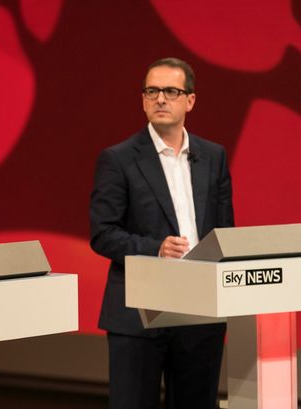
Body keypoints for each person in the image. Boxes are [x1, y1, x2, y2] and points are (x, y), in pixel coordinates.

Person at [90, 57, 234, 409]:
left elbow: (225, 232)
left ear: (190, 100)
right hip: (139, 314)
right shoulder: (119, 159)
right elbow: (102, 233)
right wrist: (154, 248)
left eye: (171, 91)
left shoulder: (213, 157)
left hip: (199, 312)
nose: (160, 99)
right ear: (142, 99)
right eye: (151, 91)